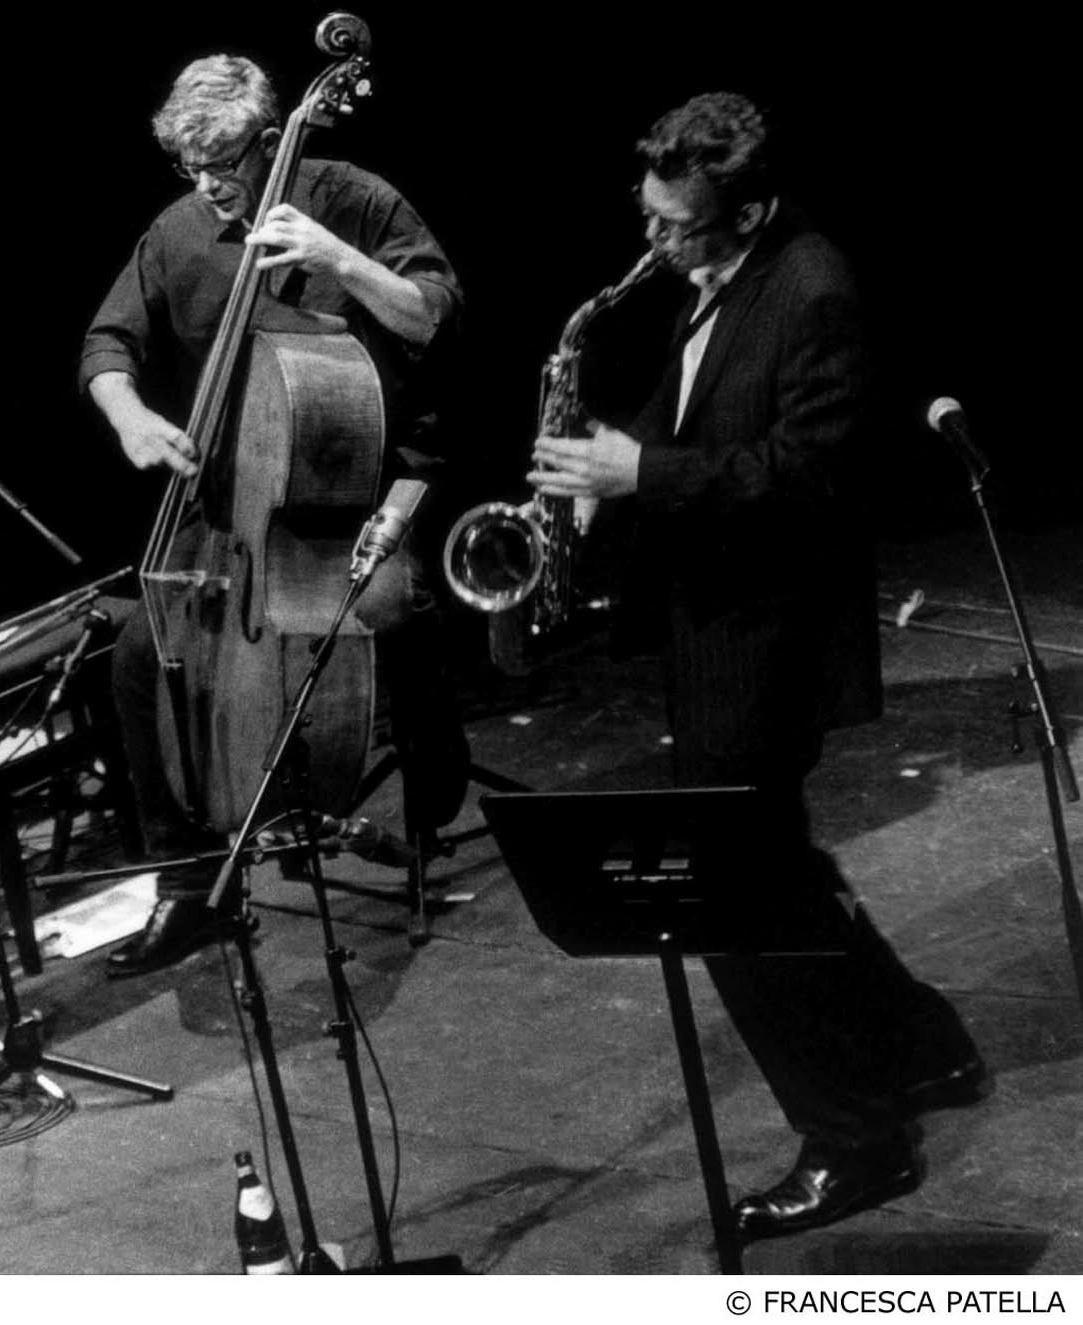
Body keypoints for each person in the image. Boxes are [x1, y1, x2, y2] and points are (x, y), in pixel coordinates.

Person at [531, 92, 988, 1238]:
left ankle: (854, 1138)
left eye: (676, 225)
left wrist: (643, 476)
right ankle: (922, 1047)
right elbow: (692, 401)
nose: (653, 244)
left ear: (749, 210)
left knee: (731, 897)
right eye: (646, 216)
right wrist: (603, 467)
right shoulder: (715, 274)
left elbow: (805, 476)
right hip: (715, 625)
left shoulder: (813, 288)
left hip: (768, 640)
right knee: (778, 866)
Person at [80, 55, 468, 977]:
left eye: (223, 164)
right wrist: (129, 415)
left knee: (384, 612)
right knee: (140, 655)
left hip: (365, 488)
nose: (207, 187)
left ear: (269, 140)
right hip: (232, 501)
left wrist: (339, 259)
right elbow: (107, 342)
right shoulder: (179, 229)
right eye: (189, 167)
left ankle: (428, 801)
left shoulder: (354, 199)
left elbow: (435, 317)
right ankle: (189, 886)